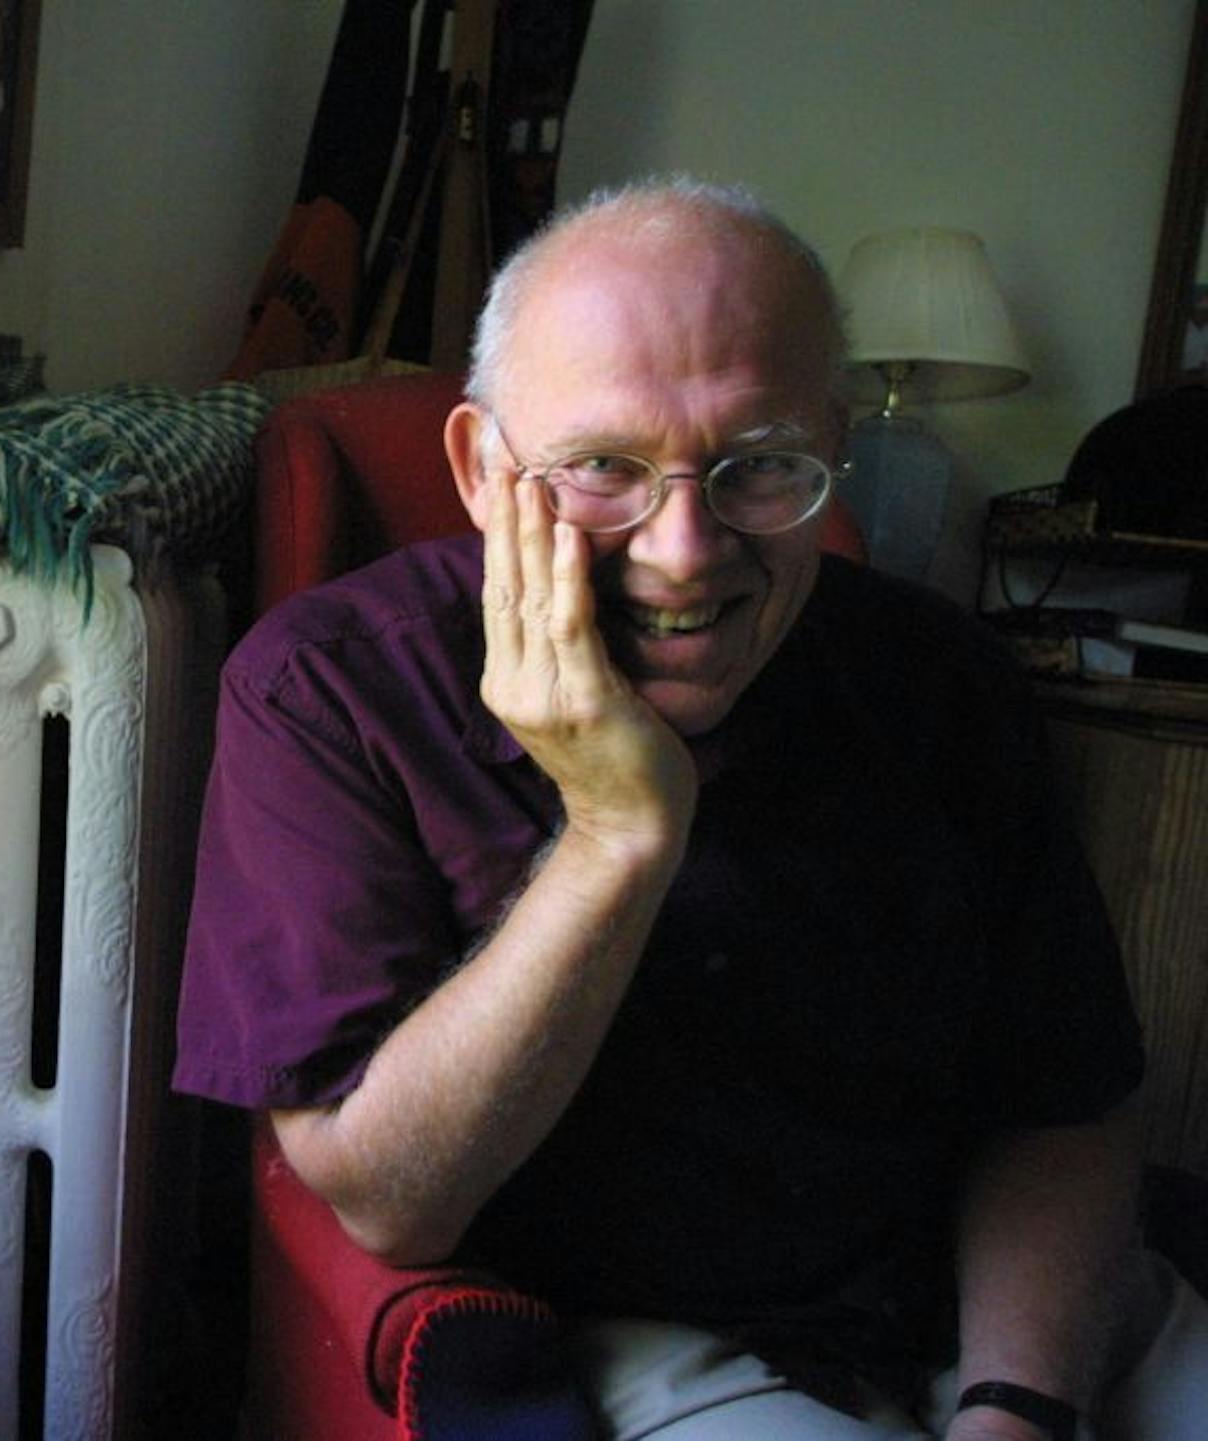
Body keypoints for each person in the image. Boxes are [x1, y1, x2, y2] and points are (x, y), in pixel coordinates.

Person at [172, 177, 1208, 1439]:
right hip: (642, 1342)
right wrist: (617, 834)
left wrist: (1019, 1410)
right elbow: (388, 1200)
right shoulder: (325, 689)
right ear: (482, 468)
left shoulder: (947, 683)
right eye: (605, 468)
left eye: (758, 467)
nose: (684, 550)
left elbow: (1060, 1099)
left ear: (833, 444)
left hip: (993, 1298)